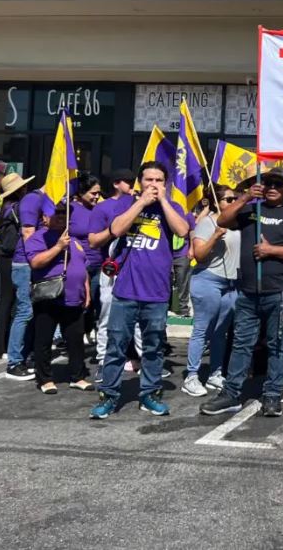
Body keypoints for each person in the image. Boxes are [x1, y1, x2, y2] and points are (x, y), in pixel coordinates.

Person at [200, 167, 283, 418]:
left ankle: (272, 395)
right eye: (268, 182)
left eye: (278, 184)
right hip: (248, 292)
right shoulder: (250, 210)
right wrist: (245, 197)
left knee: (277, 346)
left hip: (280, 292)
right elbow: (222, 221)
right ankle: (231, 394)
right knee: (241, 344)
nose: (272, 187)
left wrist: (271, 250)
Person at [90, 162, 190, 419]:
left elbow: (182, 230)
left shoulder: (172, 207)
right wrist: (141, 203)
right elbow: (117, 229)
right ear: (140, 182)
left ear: (165, 183)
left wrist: (164, 202)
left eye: (158, 180)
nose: (153, 184)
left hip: (156, 292)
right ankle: (109, 395)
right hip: (125, 289)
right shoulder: (125, 204)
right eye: (148, 180)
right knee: (116, 345)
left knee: (153, 346)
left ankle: (149, 394)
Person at [26, 203, 93, 394]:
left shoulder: (75, 240)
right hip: (49, 297)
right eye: (57, 213)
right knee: (44, 339)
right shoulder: (38, 238)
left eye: (65, 213)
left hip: (74, 297)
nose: (62, 216)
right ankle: (45, 379)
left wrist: (86, 290)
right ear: (44, 217)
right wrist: (57, 247)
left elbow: (83, 267)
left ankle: (78, 376)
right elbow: (36, 262)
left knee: (75, 339)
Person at [183, 186, 241, 397]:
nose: (233, 201)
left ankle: (215, 373)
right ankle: (191, 376)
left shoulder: (239, 223)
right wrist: (215, 236)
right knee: (202, 329)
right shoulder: (208, 223)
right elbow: (198, 254)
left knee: (220, 331)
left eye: (235, 198)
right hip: (208, 280)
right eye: (228, 199)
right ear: (217, 202)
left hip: (232, 284)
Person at [88, 168, 136, 374]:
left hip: (136, 269)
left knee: (137, 317)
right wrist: (113, 230)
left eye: (134, 180)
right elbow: (93, 241)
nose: (132, 184)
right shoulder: (102, 208)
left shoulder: (140, 203)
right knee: (107, 315)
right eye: (127, 181)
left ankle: (135, 357)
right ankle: (102, 360)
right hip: (111, 268)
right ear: (116, 183)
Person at [6, 180, 45, 380]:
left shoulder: (43, 200)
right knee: (24, 311)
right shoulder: (33, 199)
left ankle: (26, 355)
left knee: (33, 311)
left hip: (36, 263)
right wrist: (37, 260)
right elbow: (28, 233)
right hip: (26, 263)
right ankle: (14, 362)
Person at [0, 172, 34, 360]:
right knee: (12, 302)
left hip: (4, 256)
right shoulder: (17, 209)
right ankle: (6, 346)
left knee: (6, 300)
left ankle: (0, 346)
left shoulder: (4, 207)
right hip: (12, 257)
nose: (25, 189)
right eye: (23, 187)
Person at [69, 173, 102, 345]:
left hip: (99, 264)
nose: (97, 196)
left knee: (98, 302)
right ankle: (75, 336)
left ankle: (91, 332)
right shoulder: (71, 210)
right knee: (82, 303)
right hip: (80, 265)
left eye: (99, 193)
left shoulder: (100, 209)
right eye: (93, 193)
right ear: (81, 192)